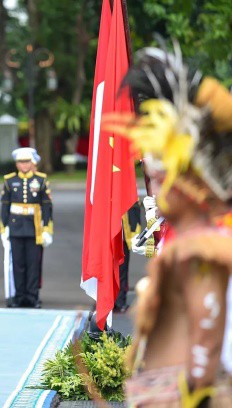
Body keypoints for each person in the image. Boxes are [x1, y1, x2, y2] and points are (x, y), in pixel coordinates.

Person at [107, 45, 232, 406]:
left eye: (162, 178)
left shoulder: (205, 252)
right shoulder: (196, 243)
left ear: (190, 186)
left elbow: (207, 350)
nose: (155, 187)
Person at [0, 148, 53, 308]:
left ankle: (32, 296)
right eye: (21, 162)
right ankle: (19, 296)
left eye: (27, 162)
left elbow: (47, 207)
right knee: (17, 264)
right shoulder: (9, 181)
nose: (24, 165)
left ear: (32, 163)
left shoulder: (41, 180)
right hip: (15, 227)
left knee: (33, 264)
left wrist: (47, 229)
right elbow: (4, 206)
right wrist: (4, 228)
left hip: (34, 227)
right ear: (17, 164)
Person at [114, 201, 141, 313]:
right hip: (120, 230)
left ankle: (118, 300)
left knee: (120, 267)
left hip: (122, 231)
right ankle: (118, 301)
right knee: (120, 268)